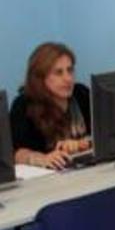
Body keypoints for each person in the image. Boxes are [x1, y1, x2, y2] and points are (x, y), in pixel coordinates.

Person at [11, 42, 92, 170]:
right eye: (58, 73)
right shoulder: (23, 105)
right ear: (40, 78)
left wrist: (83, 144)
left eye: (70, 70)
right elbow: (16, 153)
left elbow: (104, 134)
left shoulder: (81, 94)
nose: (68, 79)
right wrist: (43, 159)